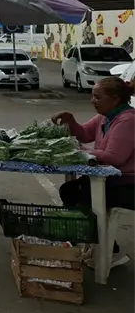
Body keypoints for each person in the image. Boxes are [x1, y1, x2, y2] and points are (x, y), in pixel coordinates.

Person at [53, 77, 135, 269]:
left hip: (129, 185)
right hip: (111, 180)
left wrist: (82, 152)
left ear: (114, 99)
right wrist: (70, 120)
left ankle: (110, 250)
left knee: (78, 192)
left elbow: (115, 157)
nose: (92, 101)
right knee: (72, 190)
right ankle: (101, 244)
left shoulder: (128, 121)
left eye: (97, 97)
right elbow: (84, 134)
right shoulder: (105, 117)